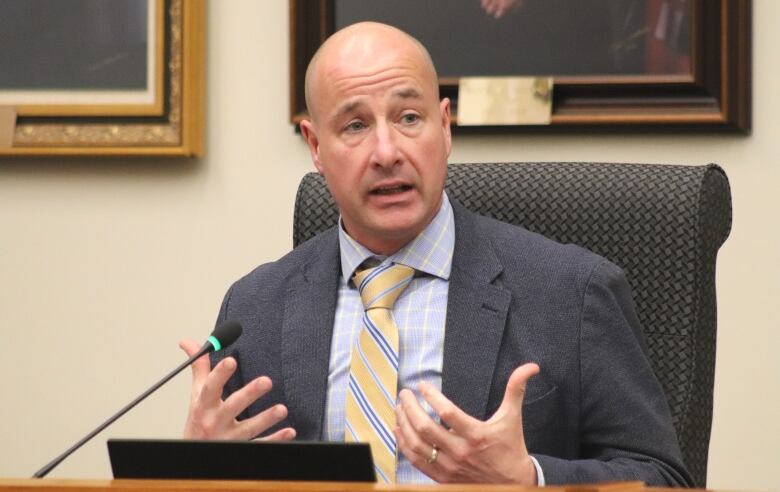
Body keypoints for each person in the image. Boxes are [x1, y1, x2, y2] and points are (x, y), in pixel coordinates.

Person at [179, 22, 693, 486]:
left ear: (444, 126)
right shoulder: (254, 309)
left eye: (408, 117)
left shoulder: (572, 292)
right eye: (355, 126)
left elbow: (664, 478)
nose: (387, 152)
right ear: (315, 145)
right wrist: (197, 473)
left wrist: (529, 479)